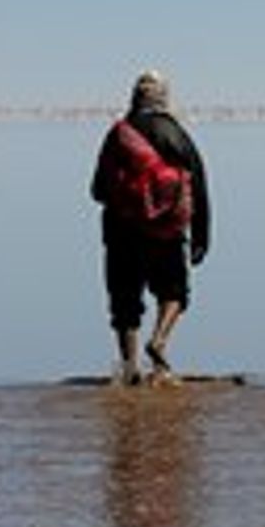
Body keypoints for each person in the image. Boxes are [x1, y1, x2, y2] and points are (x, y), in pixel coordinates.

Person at [90, 70, 210, 385]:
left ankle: (130, 366)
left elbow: (97, 190)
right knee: (173, 292)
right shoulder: (177, 134)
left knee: (124, 300)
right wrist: (201, 236)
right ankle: (158, 343)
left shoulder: (119, 134)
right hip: (167, 233)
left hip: (121, 232)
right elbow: (198, 186)